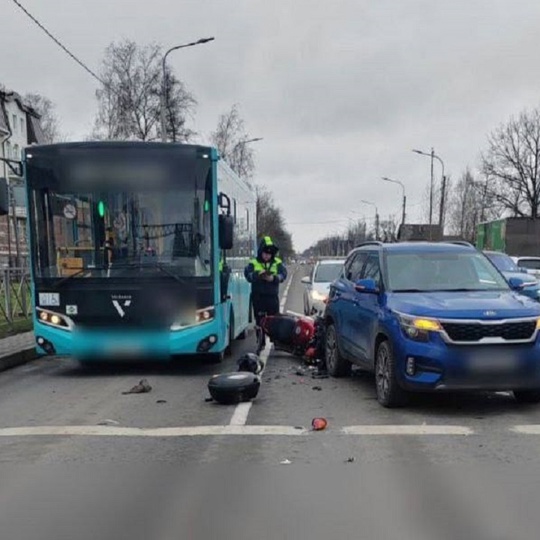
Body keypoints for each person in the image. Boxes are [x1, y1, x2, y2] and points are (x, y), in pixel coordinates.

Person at [244, 236, 288, 336]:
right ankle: (260, 338)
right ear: (261, 252)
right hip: (258, 296)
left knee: (274, 320)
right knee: (259, 320)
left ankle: (275, 340)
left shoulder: (278, 262)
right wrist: (257, 275)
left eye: (269, 254)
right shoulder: (253, 263)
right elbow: (248, 275)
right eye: (265, 253)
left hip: (272, 297)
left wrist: (274, 278)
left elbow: (283, 274)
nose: (267, 256)